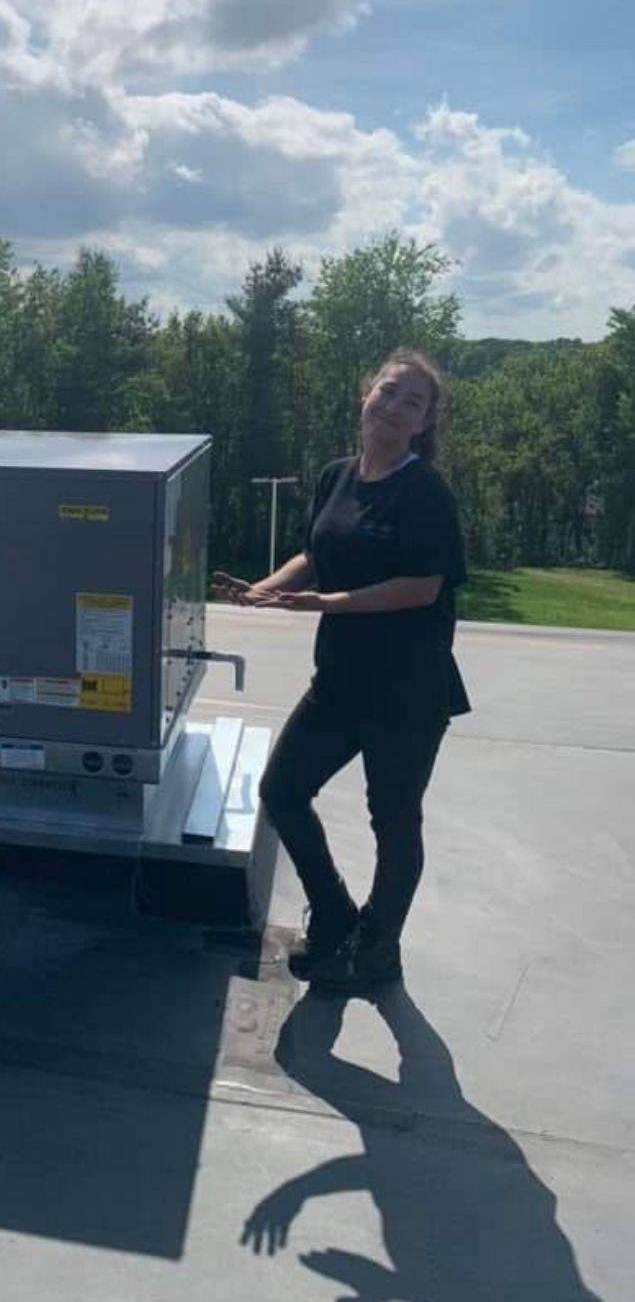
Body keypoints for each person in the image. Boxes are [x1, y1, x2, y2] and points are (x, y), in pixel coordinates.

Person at [213, 349, 470, 992]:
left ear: (424, 423)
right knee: (282, 791)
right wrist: (263, 589)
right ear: (365, 395)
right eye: (388, 392)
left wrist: (329, 603)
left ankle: (378, 949)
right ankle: (334, 914)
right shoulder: (336, 476)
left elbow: (421, 587)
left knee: (394, 820)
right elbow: (315, 551)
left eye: (413, 402)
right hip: (341, 681)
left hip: (408, 691)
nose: (394, 407)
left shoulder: (425, 493)